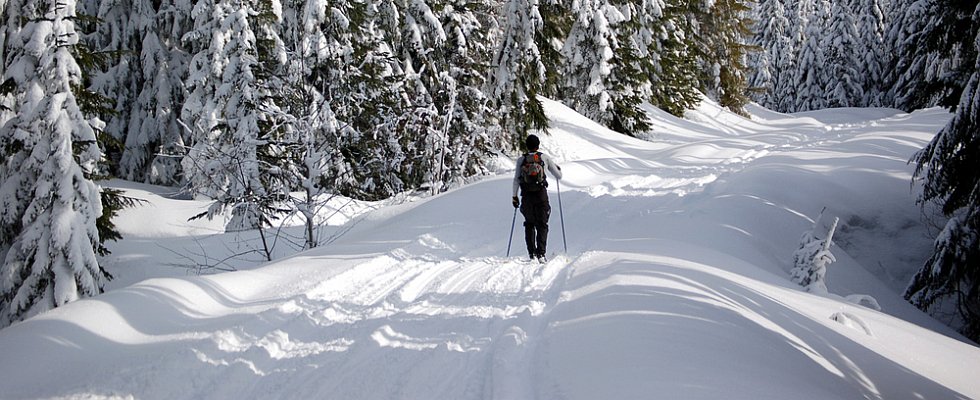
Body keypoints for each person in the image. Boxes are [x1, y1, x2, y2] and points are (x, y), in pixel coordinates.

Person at [512, 134, 562, 262]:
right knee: (542, 224)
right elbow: (558, 175)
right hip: (541, 195)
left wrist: (514, 197)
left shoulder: (521, 160)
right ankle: (541, 254)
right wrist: (558, 169)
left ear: (527, 146)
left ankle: (531, 254)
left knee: (529, 224)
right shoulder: (544, 157)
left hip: (526, 196)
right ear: (538, 145)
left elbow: (516, 180)